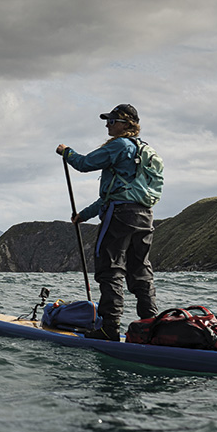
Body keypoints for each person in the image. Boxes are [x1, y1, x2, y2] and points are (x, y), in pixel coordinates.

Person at [54, 103, 156, 341]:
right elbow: (116, 193)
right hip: (145, 216)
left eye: (112, 121)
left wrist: (66, 152)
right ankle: (150, 327)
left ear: (126, 124)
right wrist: (84, 215)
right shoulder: (145, 151)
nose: (107, 125)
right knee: (140, 270)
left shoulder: (119, 145)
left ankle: (109, 328)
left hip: (119, 216)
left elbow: (84, 164)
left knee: (110, 269)